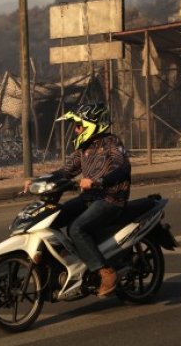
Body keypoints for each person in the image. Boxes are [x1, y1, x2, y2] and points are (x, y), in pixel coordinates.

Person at [25, 102, 131, 297]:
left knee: (76, 228)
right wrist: (37, 180)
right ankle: (63, 268)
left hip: (110, 199)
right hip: (88, 198)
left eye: (78, 125)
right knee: (51, 219)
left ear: (93, 124)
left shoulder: (112, 143)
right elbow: (65, 172)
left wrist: (98, 181)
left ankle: (105, 271)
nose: (75, 129)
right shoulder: (84, 148)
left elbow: (121, 168)